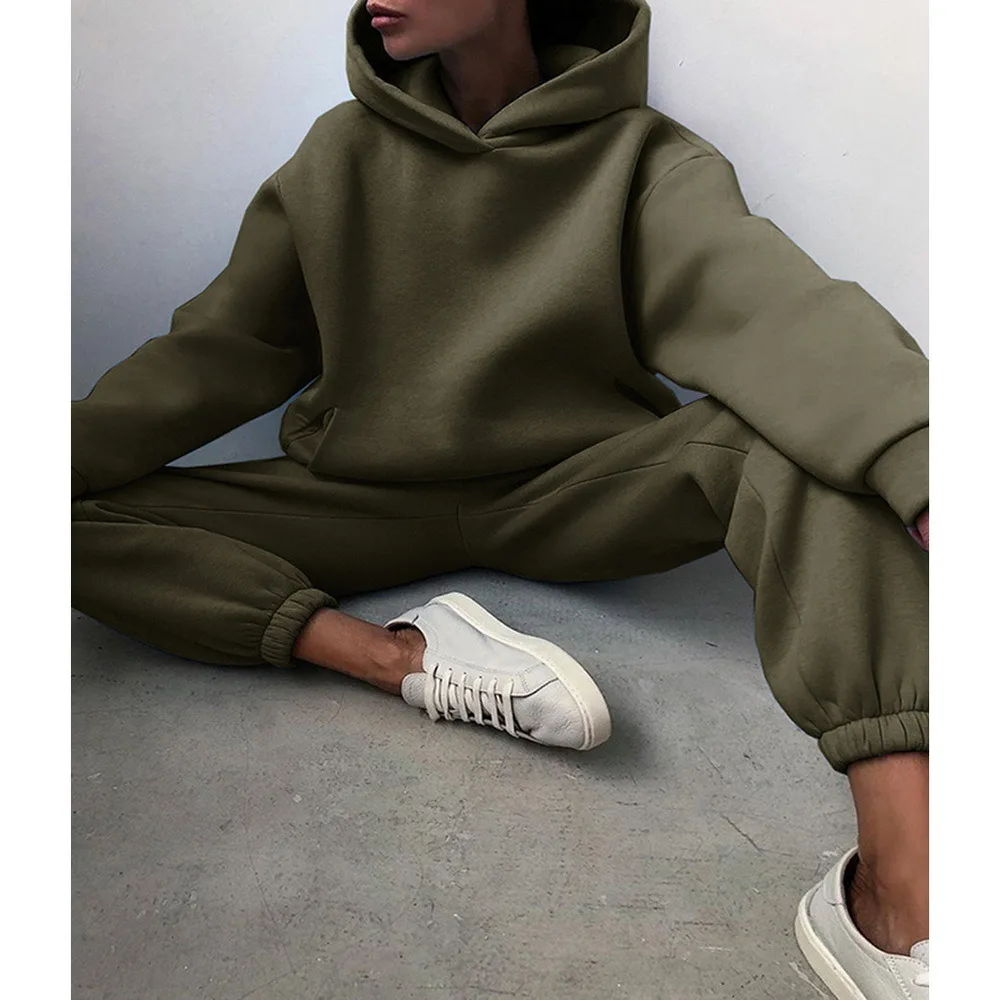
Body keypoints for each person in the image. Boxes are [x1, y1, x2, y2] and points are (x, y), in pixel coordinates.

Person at [70, 1, 929, 996]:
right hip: (358, 500)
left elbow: (775, 315)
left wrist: (926, 463)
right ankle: (396, 655)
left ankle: (901, 892)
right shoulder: (336, 157)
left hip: (577, 495)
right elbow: (216, 355)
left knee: (817, 451)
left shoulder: (642, 158)